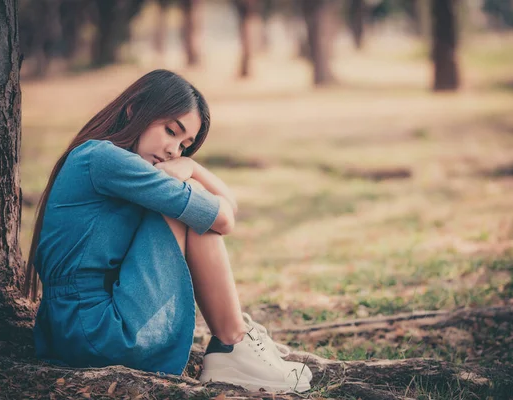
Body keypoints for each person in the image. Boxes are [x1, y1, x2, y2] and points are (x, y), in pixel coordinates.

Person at [24, 69, 311, 393]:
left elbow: (227, 209)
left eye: (185, 146)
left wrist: (192, 167)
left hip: (69, 329)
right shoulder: (105, 159)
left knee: (191, 201)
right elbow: (224, 218)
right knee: (190, 207)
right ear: (135, 110)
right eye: (171, 131)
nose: (175, 150)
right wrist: (191, 175)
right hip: (97, 330)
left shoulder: (97, 159)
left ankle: (234, 344)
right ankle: (232, 343)